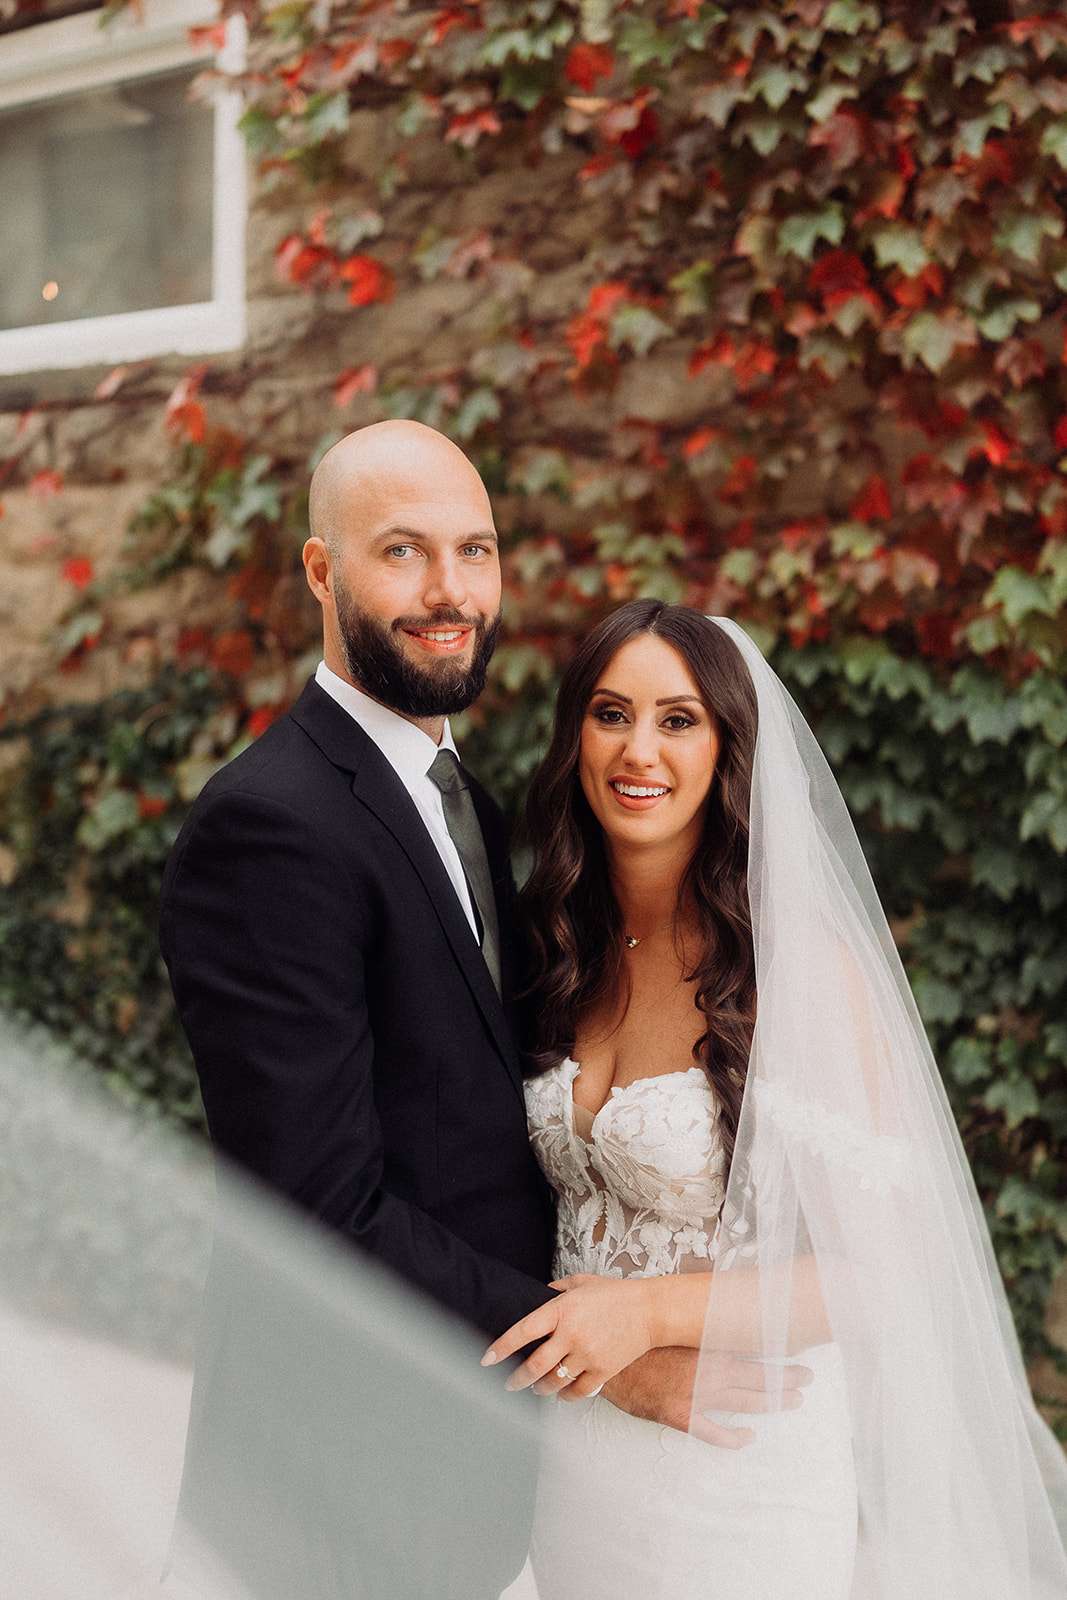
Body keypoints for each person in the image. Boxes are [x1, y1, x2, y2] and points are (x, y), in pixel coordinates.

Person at [157, 426, 805, 1596]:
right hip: (343, 1480)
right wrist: (604, 1360)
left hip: (508, 1475)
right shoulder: (269, 826)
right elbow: (316, 1201)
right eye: (402, 552)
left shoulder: (477, 811)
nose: (449, 591)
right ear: (321, 571)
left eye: (475, 549)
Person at [485, 600, 1067, 1600]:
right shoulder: (549, 948)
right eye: (610, 712)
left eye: (678, 719)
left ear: (726, 748)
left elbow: (877, 1271)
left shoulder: (794, 972)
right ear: (573, 734)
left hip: (735, 1470)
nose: (639, 749)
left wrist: (646, 1314)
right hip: (574, 1459)